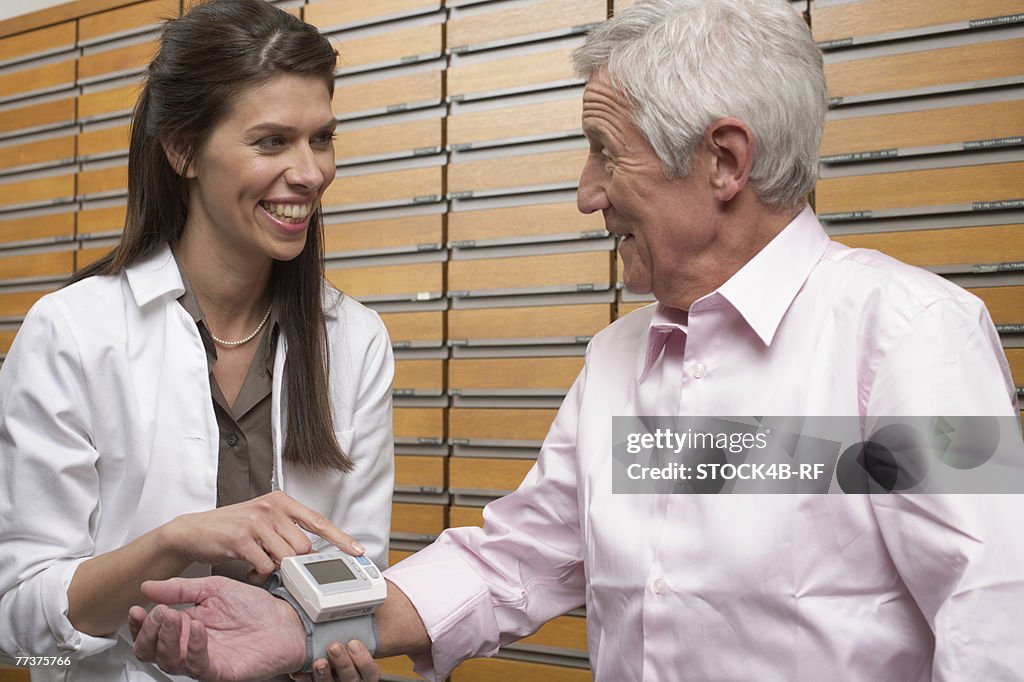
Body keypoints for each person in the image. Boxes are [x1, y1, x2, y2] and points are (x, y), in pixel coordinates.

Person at [129, 0, 1024, 680]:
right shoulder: (620, 360)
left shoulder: (913, 335)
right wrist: (313, 625)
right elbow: (518, 561)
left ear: (724, 160)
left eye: (605, 151)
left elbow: (997, 621)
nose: (586, 192)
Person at [0, 0, 394, 679]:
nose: (310, 173)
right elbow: (19, 622)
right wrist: (172, 542)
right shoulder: (73, 332)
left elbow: (359, 579)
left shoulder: (353, 340)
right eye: (271, 142)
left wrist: (332, 647)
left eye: (321, 139)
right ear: (182, 149)